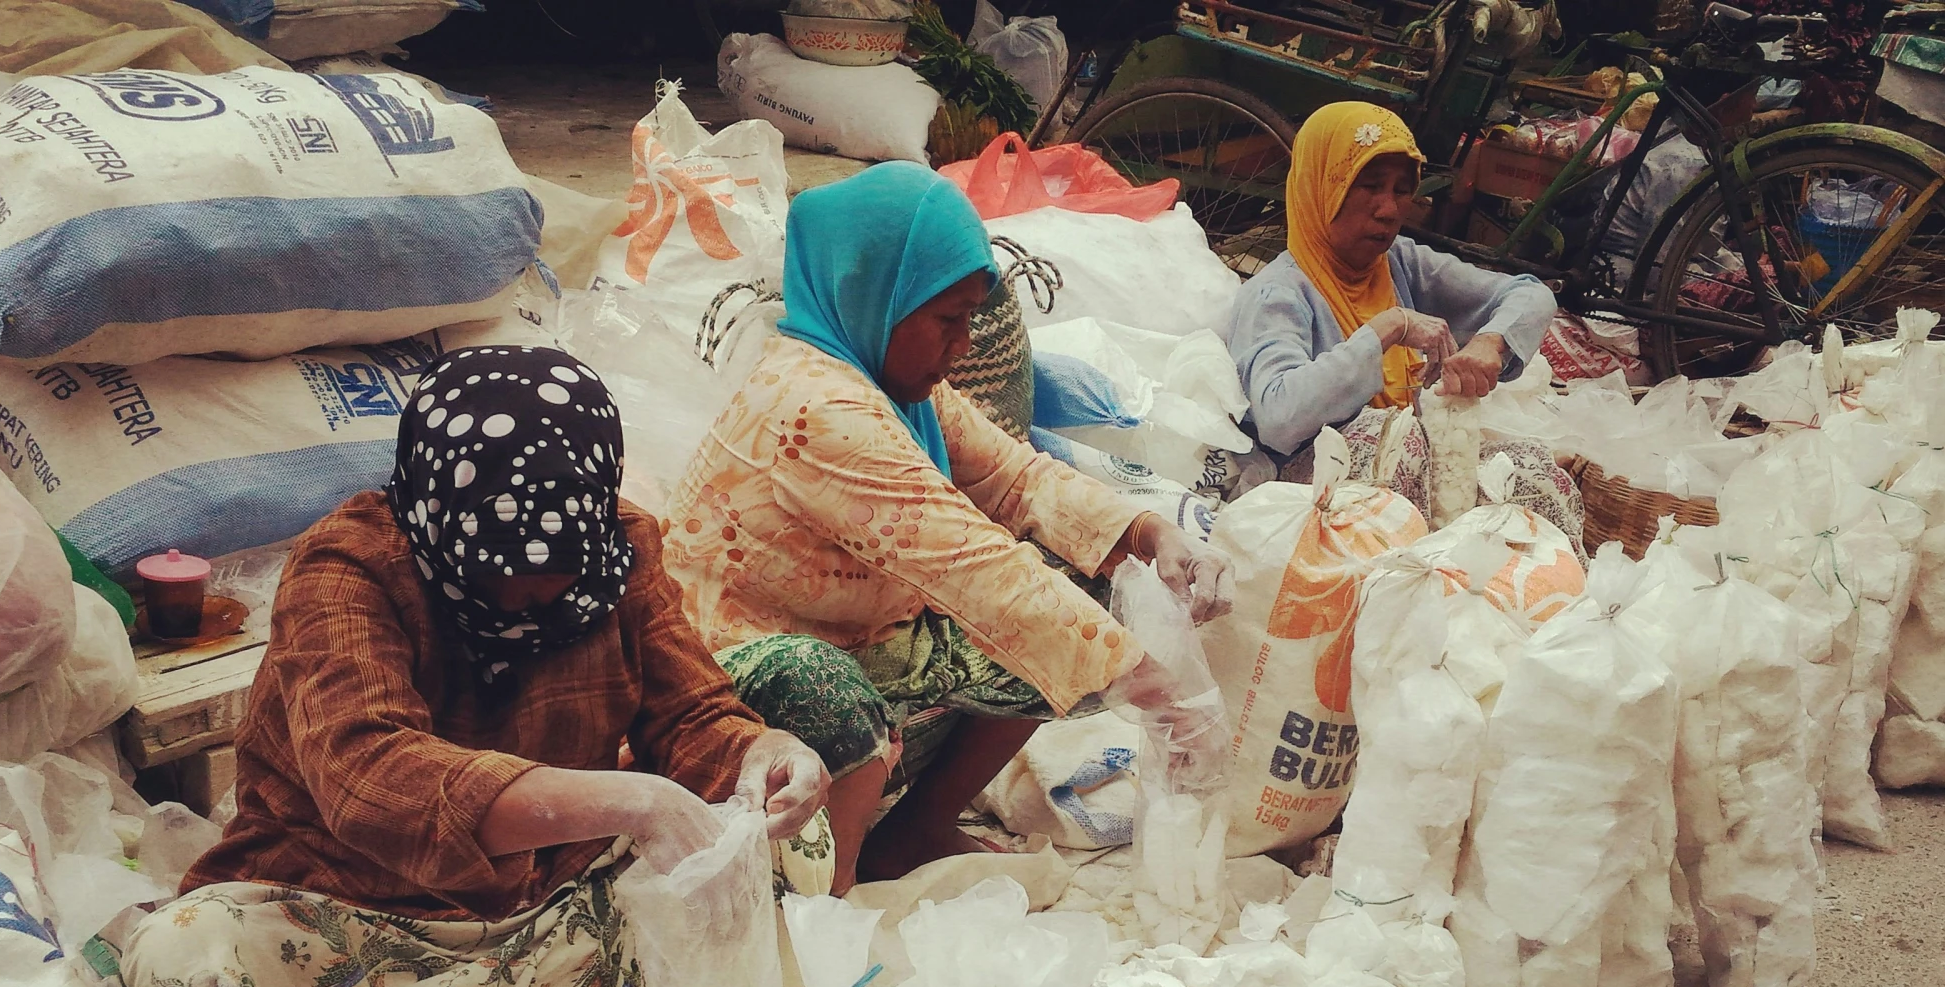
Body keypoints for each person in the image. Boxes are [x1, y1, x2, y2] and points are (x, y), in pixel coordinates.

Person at [121, 345, 831, 987]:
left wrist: (763, 755)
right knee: (188, 962)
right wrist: (631, 798)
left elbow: (695, 716)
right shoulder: (347, 566)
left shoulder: (621, 550)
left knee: (785, 850)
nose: (526, 592)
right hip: (363, 918)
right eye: (497, 565)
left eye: (552, 566)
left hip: (549, 912)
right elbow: (369, 773)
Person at [667, 162, 1228, 894]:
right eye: (946, 320)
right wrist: (1153, 685)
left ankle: (912, 832)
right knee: (844, 689)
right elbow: (977, 569)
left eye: (970, 318)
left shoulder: (896, 386)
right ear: (873, 296)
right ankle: (826, 901)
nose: (962, 344)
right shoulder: (817, 409)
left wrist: (1152, 531)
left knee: (1055, 626)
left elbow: (1016, 477)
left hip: (849, 628)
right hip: (735, 661)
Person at [1228, 103, 1578, 541]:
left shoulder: (1398, 263)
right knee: (1401, 450)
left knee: (1535, 477)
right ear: (1321, 188)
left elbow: (1530, 294)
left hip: (1405, 481)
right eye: (1369, 187)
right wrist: (1386, 329)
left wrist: (1491, 344)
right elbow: (1279, 418)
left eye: (1402, 190)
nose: (1389, 210)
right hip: (1315, 494)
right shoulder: (1277, 294)